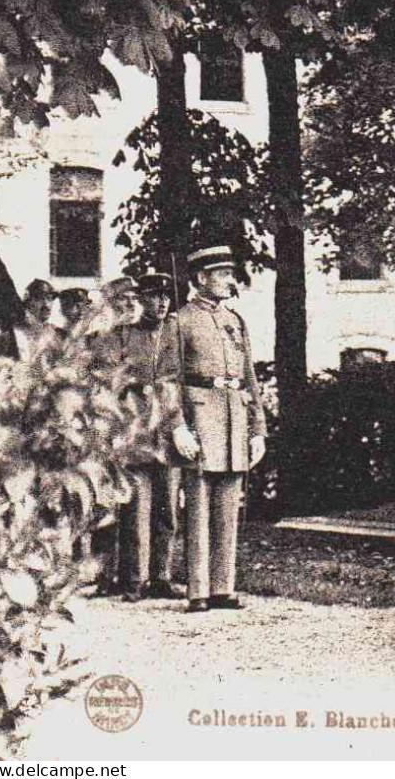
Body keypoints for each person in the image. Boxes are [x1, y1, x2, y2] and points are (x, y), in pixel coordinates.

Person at [156, 247, 267, 613]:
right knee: (198, 508)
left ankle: (224, 588)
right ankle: (198, 591)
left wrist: (258, 430)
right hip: (200, 421)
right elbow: (167, 381)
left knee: (227, 508)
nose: (229, 280)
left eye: (230, 274)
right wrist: (177, 428)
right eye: (221, 274)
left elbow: (248, 377)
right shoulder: (179, 321)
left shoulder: (235, 321)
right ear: (201, 278)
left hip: (234, 419)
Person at [97, 274, 183, 601]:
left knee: (168, 511)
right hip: (136, 436)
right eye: (152, 297)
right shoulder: (124, 336)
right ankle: (133, 580)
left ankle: (161, 577)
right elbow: (111, 382)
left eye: (165, 297)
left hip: (168, 434)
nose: (160, 303)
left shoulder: (175, 333)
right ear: (141, 300)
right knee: (136, 511)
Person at [0, 278, 57, 358]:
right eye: (40, 298)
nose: (46, 304)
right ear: (28, 301)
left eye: (50, 299)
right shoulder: (12, 335)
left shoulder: (53, 334)